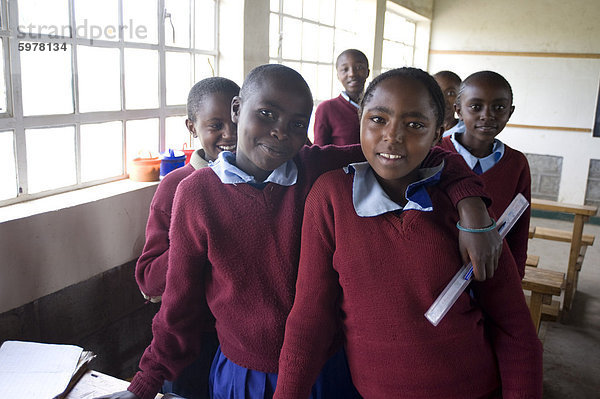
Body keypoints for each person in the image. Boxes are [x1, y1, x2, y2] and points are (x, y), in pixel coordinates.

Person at [97, 64, 502, 399]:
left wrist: (472, 208)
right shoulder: (195, 195)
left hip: (326, 366)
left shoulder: (317, 168)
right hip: (243, 374)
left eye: (296, 123)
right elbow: (178, 307)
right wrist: (143, 385)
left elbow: (427, 154)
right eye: (267, 114)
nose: (280, 132)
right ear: (238, 109)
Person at [274, 67, 543, 399]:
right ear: (360, 119)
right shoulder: (330, 198)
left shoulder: (466, 211)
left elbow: (515, 328)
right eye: (378, 119)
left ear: (438, 133)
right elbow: (309, 320)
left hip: (473, 386)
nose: (393, 136)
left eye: (415, 125)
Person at [134, 77, 240, 399]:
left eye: (236, 120)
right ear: (192, 127)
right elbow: (149, 280)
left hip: (238, 345)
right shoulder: (177, 186)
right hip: (188, 344)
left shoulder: (258, 182)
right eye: (215, 125)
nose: (230, 135)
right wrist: (196, 237)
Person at [439, 70, 531, 279]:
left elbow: (519, 229)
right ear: (458, 110)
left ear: (510, 112)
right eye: (475, 106)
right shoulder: (436, 155)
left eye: (499, 107)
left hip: (492, 271)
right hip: (441, 273)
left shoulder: (517, 164)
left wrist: (515, 276)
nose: (487, 115)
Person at [313, 49, 369, 146]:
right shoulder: (327, 109)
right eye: (345, 69)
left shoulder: (377, 106)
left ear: (367, 72)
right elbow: (319, 151)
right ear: (338, 75)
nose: (352, 74)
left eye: (359, 67)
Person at [434, 70, 464, 138]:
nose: (443, 99)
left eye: (451, 93)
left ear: (460, 98)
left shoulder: (465, 132)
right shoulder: (421, 129)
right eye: (438, 92)